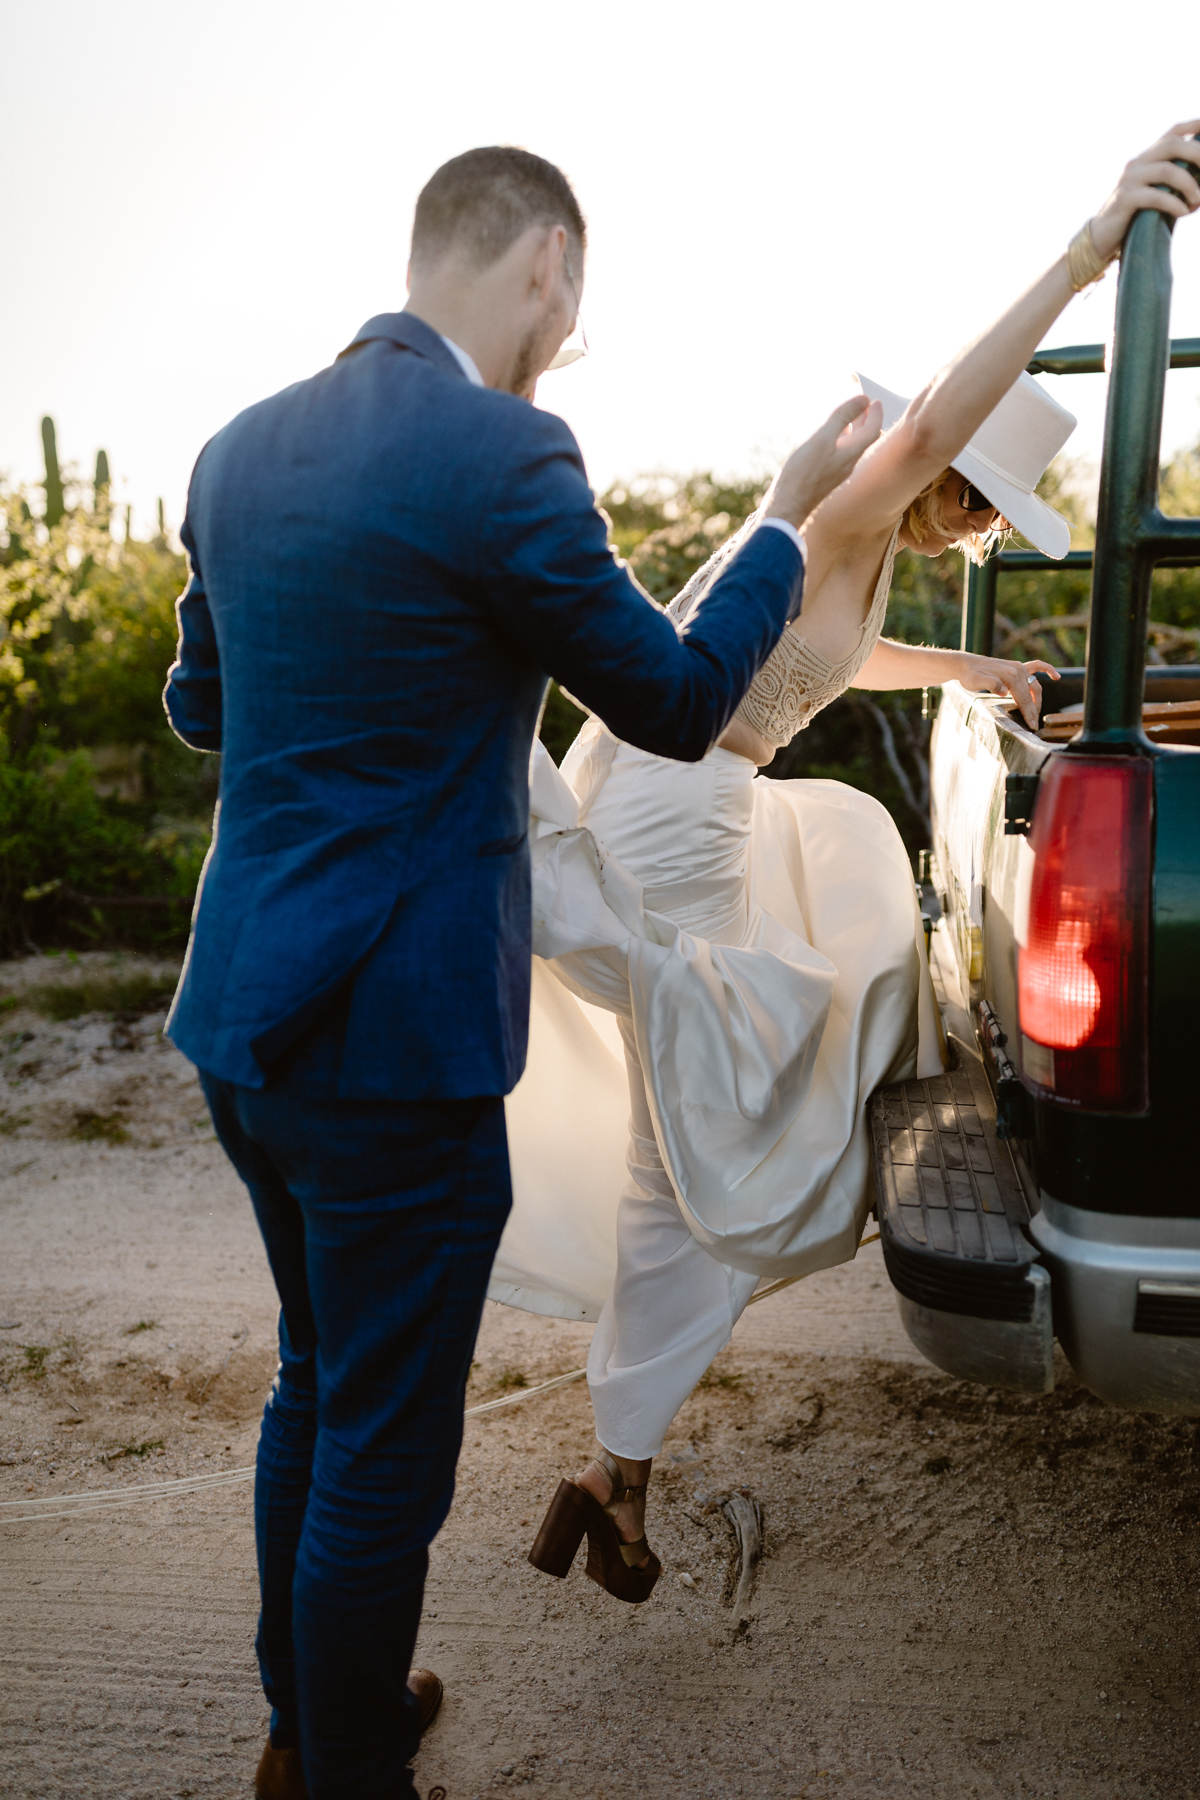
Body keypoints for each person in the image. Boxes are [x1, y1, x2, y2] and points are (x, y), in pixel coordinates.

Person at [162, 145, 880, 1800]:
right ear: (546, 262)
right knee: (385, 1449)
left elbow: (206, 709)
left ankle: (307, 1720)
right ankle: (344, 1771)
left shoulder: (233, 447)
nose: (569, 333)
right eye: (576, 298)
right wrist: (777, 516)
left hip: (243, 1020)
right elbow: (683, 702)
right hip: (395, 1037)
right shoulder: (507, 454)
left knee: (312, 1375)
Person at [513, 121, 1200, 1603]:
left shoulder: (858, 552)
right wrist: (1087, 252)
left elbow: (827, 663)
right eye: (974, 497)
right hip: (681, 812)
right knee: (718, 1139)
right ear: (941, 474)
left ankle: (615, 1474)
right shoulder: (851, 504)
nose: (970, 521)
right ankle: (620, 1459)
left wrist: (970, 665)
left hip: (690, 794)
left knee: (679, 1151)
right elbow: (943, 417)